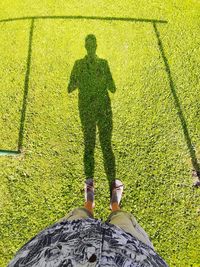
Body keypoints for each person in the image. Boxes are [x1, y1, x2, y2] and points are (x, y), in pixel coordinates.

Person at [8, 179, 168, 266]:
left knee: (80, 214)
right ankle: (114, 205)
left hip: (62, 240)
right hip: (131, 247)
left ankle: (90, 203)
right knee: (122, 218)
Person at [68, 34, 116, 188]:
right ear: (96, 46)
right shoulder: (103, 64)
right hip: (103, 109)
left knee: (89, 145)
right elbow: (112, 88)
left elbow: (70, 87)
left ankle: (90, 187)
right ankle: (112, 186)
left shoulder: (78, 64)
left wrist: (83, 80)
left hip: (87, 109)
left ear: (86, 47)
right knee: (106, 145)